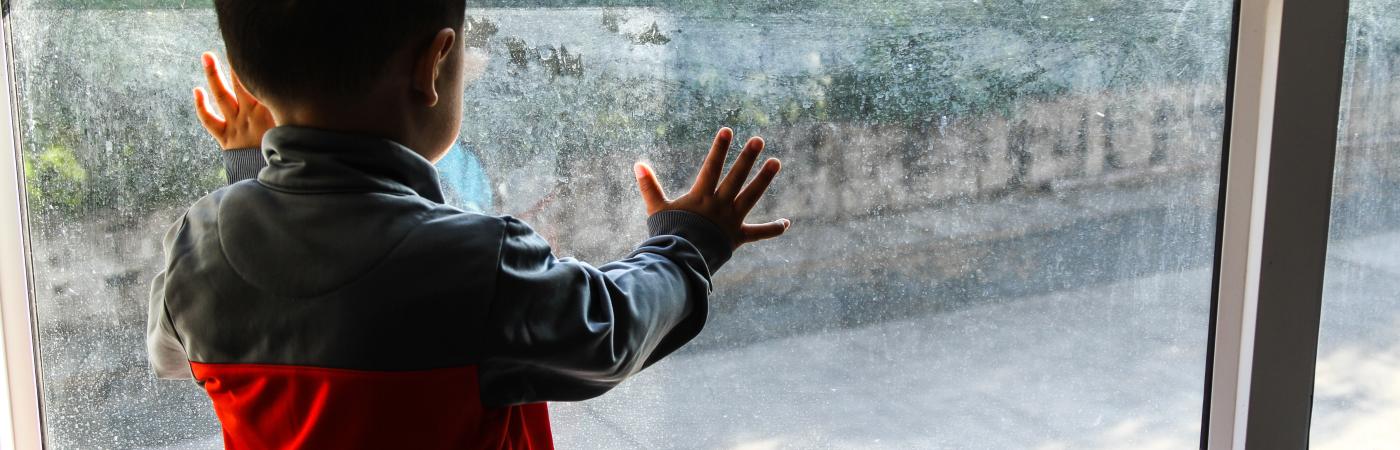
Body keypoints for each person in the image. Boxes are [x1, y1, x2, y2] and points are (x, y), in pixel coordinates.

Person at [144, 1, 790, 449]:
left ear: (250, 76)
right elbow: (610, 329)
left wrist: (250, 175)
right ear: (433, 66)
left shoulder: (195, 247)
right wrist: (688, 245)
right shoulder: (478, 265)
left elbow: (178, 357)